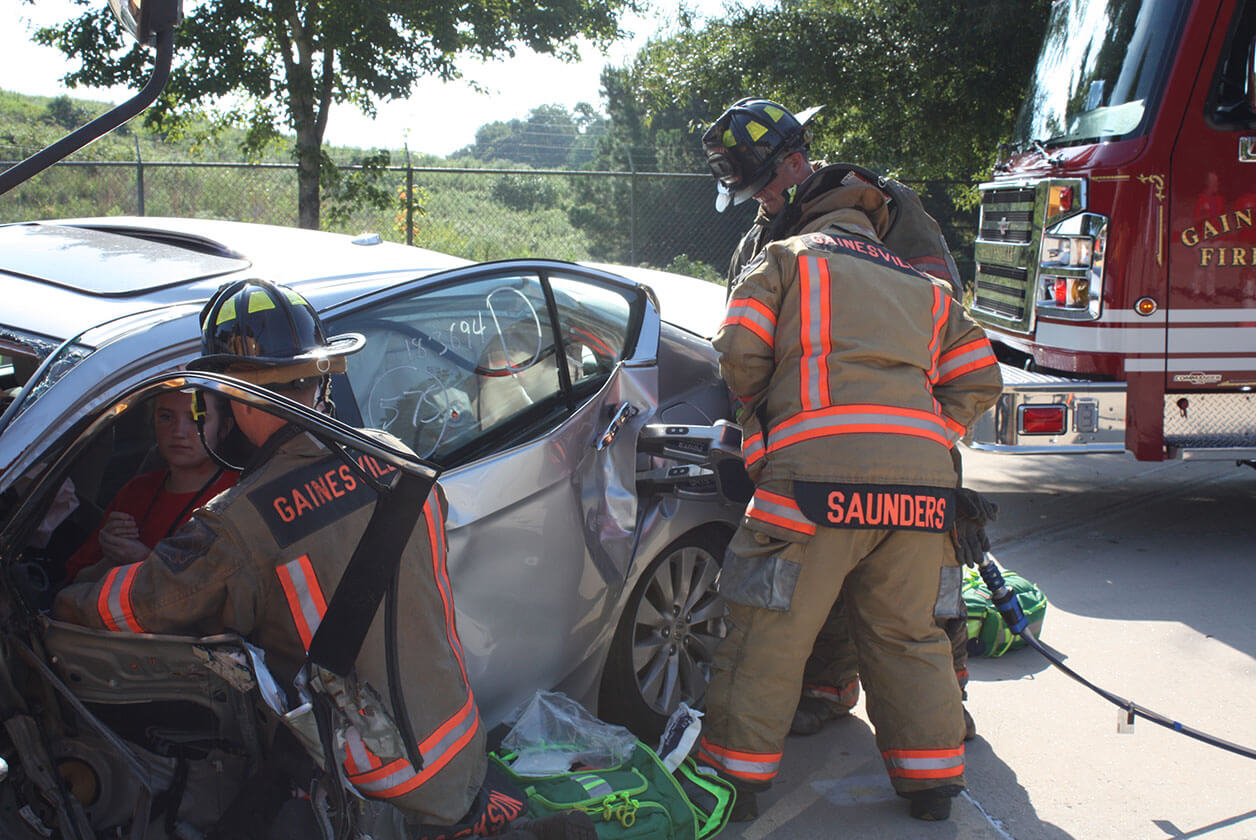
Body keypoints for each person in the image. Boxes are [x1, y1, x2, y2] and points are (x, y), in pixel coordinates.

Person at [53, 279, 590, 840]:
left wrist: (60, 599)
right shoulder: (397, 461)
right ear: (320, 379)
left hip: (369, 781)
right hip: (457, 748)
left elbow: (140, 607)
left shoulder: (241, 523)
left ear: (233, 396)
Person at [697, 99, 1003, 822]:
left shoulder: (790, 252)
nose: (764, 199)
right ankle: (931, 780)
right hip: (916, 483)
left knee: (765, 624)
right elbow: (978, 373)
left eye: (767, 185)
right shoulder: (910, 281)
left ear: (798, 167)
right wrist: (929, 433)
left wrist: (761, 428)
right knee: (909, 629)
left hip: (810, 477)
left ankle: (734, 783)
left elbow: (738, 349)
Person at [65, 388, 238, 582]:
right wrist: (111, 558)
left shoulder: (237, 496)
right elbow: (73, 582)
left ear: (224, 428)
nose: (178, 431)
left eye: (196, 418)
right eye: (166, 417)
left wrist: (143, 560)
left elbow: (228, 595)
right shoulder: (136, 492)